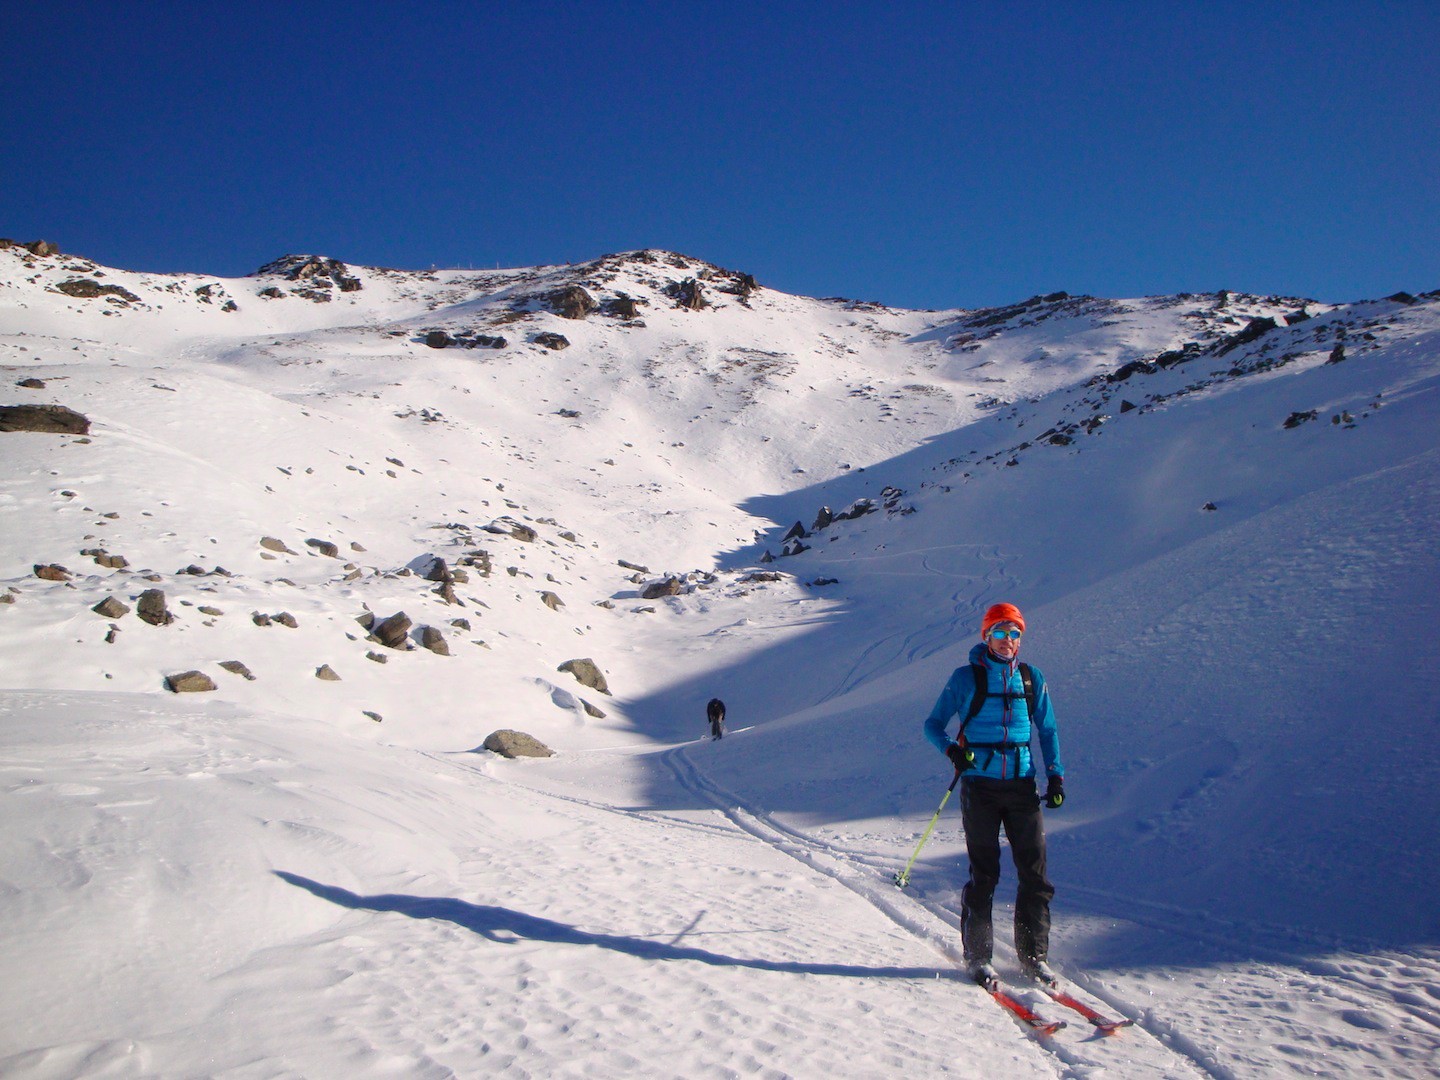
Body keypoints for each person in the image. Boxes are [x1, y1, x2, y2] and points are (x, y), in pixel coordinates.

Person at [923, 602, 1064, 985]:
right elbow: (933, 724)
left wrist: (1055, 777)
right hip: (980, 787)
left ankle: (1034, 956)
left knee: (1035, 876)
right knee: (984, 875)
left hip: (1022, 786)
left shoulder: (1032, 679)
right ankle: (978, 957)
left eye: (1014, 633)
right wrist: (952, 749)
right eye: (1000, 633)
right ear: (986, 637)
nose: (1007, 640)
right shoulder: (965, 678)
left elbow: (1047, 731)